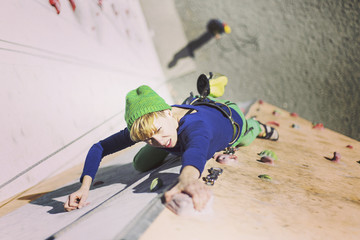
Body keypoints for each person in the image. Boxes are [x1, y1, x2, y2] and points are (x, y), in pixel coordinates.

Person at [63, 73, 279, 212]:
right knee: (140, 164)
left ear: (168, 112)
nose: (157, 140)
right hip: (184, 117)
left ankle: (254, 124)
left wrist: (186, 180)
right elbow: (99, 147)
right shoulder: (152, 124)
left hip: (229, 118)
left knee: (247, 137)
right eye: (148, 138)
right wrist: (84, 187)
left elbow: (195, 154)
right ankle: (202, 95)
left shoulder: (197, 127)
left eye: (157, 131)